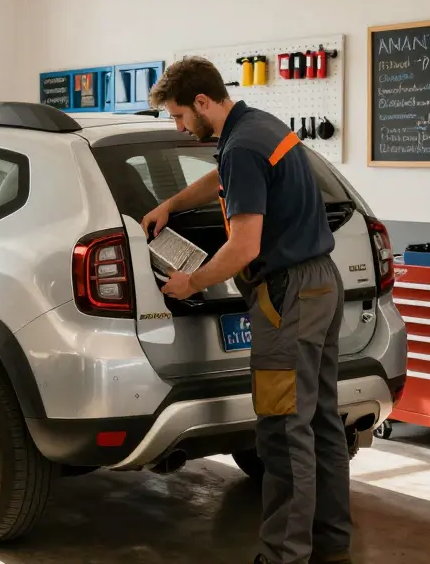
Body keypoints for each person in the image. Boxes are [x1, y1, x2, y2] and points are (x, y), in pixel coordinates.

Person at [142, 57, 352, 564]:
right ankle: (330, 545)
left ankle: (283, 556)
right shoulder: (262, 126)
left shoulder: (242, 147)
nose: (178, 127)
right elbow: (221, 178)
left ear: (203, 103)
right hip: (323, 283)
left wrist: (190, 281)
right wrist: (172, 203)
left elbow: (243, 248)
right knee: (322, 421)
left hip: (286, 298)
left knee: (282, 431)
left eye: (178, 116)